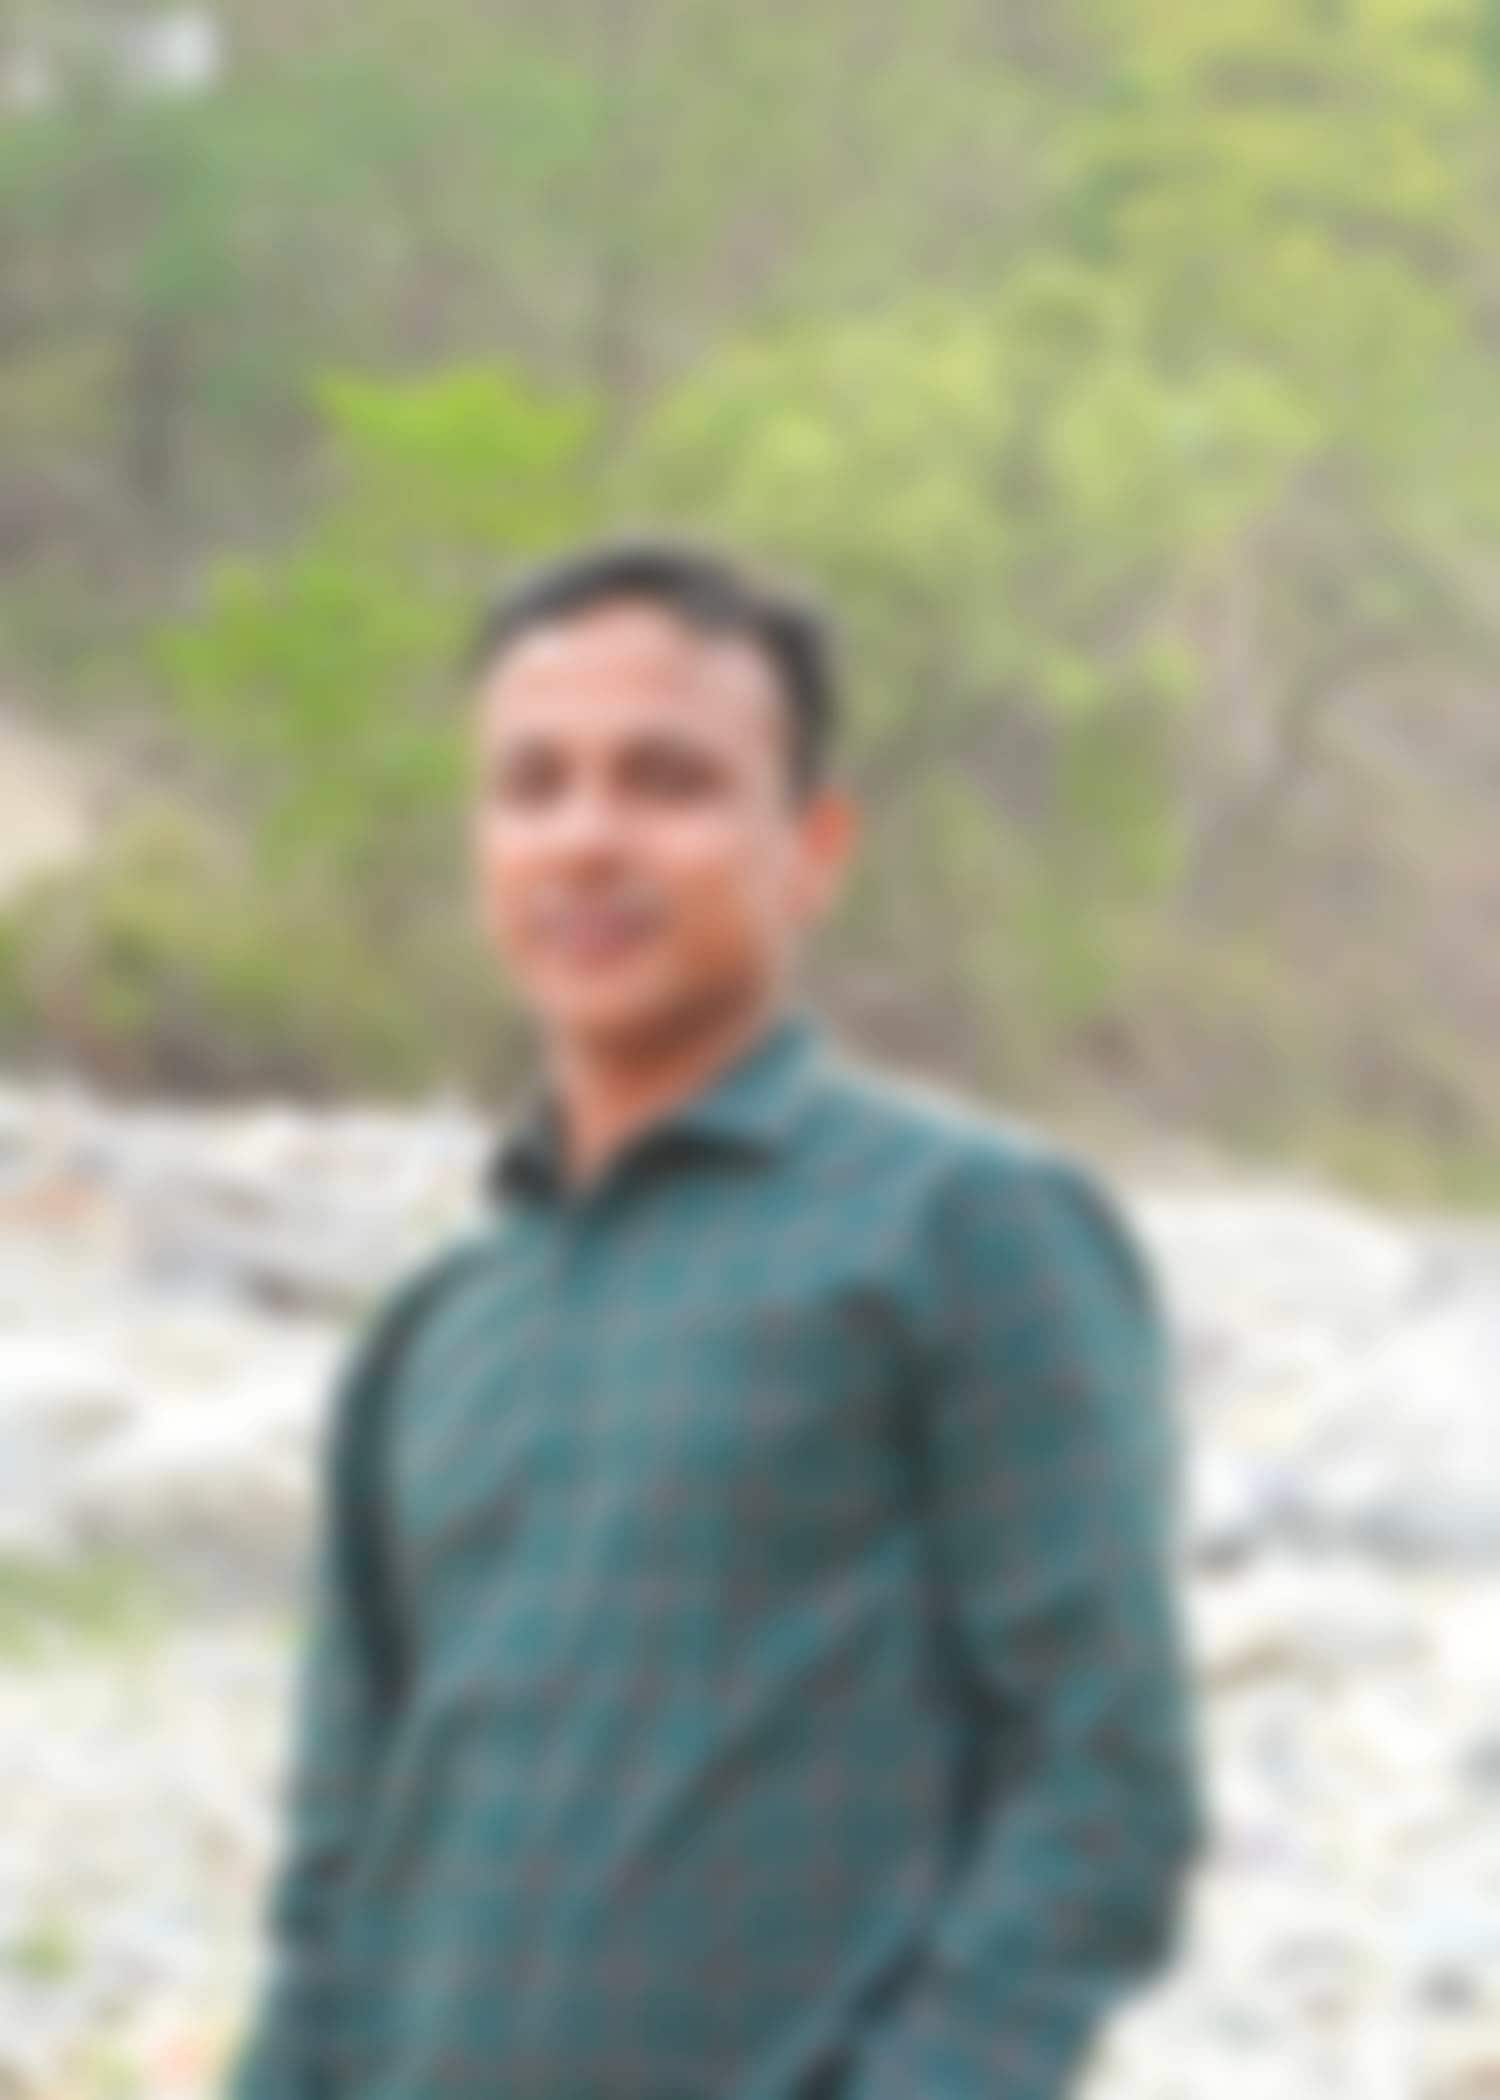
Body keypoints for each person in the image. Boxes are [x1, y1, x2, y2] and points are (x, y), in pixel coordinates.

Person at [225, 537, 1206, 2100]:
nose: (586, 837)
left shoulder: (965, 1232)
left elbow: (1106, 1785)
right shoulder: (430, 1333)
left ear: (812, 848)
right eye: (531, 786)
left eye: (667, 780)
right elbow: (337, 1873)